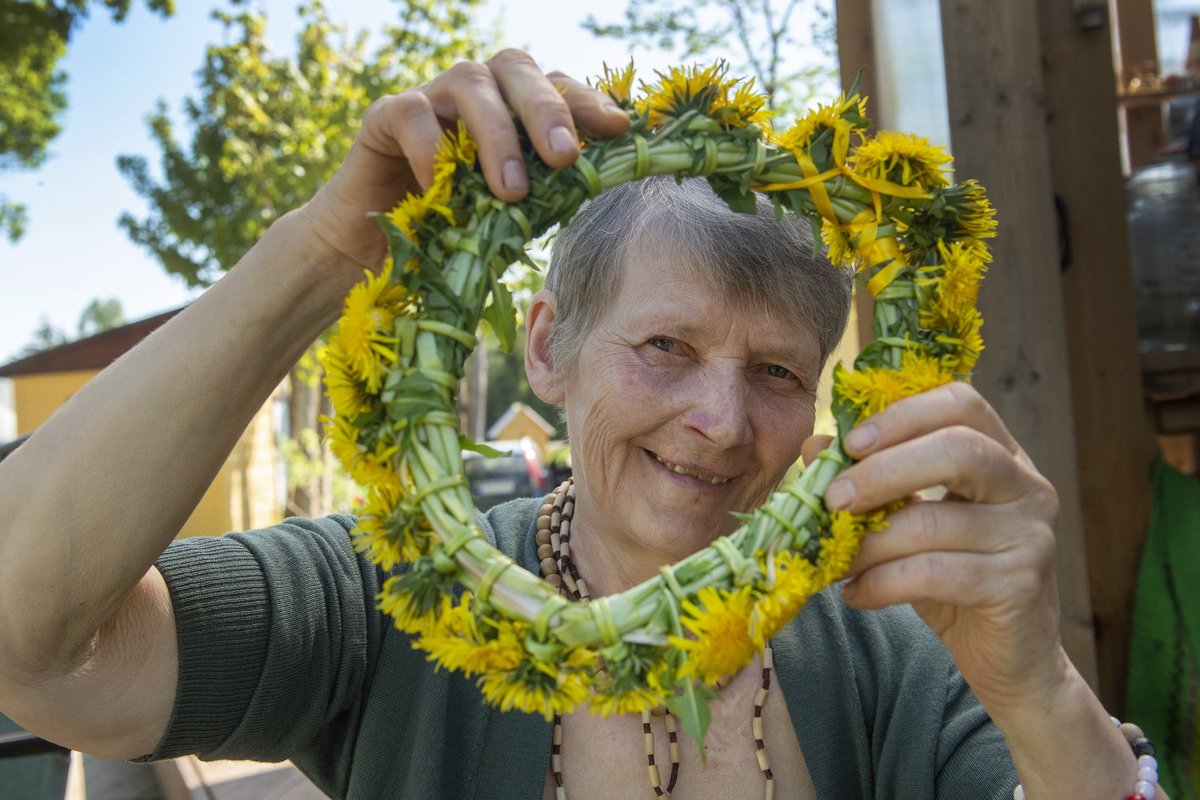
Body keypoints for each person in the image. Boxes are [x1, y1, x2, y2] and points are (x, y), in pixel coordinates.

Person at [0, 49, 1163, 800]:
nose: (720, 420)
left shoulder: (899, 648)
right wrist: (324, 251)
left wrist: (1043, 693)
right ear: (548, 346)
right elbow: (33, 642)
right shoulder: (383, 594)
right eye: (665, 347)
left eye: (774, 370)